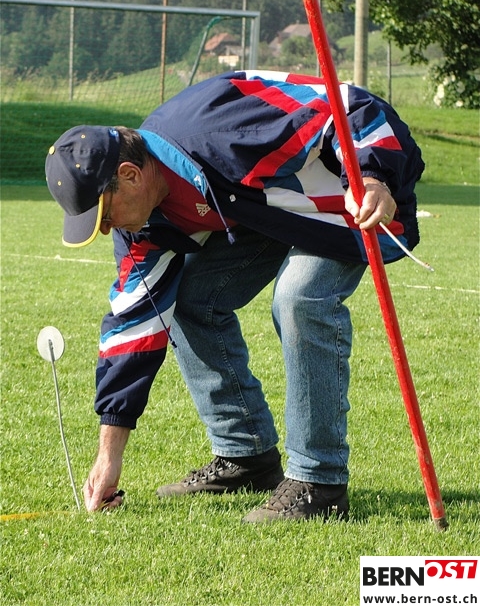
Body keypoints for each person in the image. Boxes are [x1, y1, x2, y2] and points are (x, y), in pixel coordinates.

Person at [45, 70, 424, 522]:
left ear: (130, 175)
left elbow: (350, 107)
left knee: (299, 299)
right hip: (263, 214)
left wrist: (375, 177)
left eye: (105, 215)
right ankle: (246, 456)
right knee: (189, 301)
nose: (108, 230)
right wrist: (109, 456)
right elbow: (132, 328)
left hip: (350, 204)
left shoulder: (222, 131)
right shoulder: (139, 229)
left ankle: (318, 483)